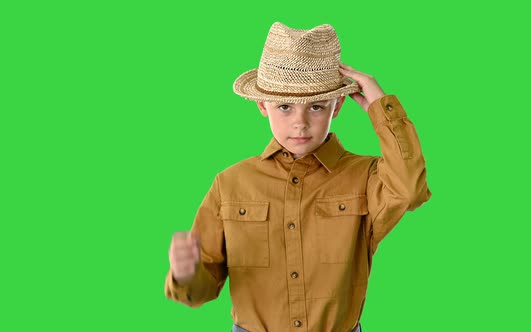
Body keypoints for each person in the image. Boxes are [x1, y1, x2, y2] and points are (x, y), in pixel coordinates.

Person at [165, 22, 432, 332]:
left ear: (338, 106)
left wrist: (380, 107)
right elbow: (203, 286)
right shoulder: (230, 183)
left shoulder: (366, 177)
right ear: (262, 105)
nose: (300, 123)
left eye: (316, 106)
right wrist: (186, 274)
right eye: (285, 107)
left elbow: (410, 190)